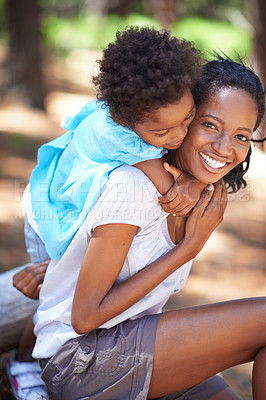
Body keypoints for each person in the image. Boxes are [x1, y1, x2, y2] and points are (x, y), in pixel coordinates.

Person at [12, 57, 266, 400]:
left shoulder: (201, 195)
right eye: (209, 125)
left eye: (241, 136)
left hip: (132, 347)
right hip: (80, 361)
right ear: (184, 117)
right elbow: (85, 318)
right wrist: (187, 249)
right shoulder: (132, 185)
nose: (224, 148)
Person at [27, 26, 203, 262]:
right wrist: (197, 184)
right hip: (44, 223)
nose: (181, 134)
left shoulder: (133, 113)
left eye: (189, 117)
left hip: (47, 194)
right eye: (162, 132)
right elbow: (170, 192)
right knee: (47, 285)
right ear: (124, 120)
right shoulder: (121, 138)